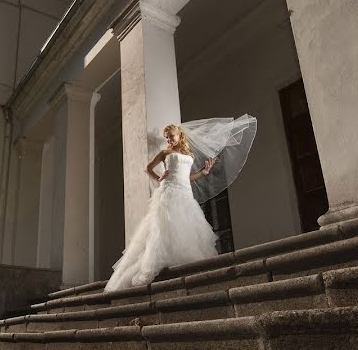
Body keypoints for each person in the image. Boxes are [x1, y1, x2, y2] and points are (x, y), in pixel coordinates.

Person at [104, 115, 256, 293]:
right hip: (169, 191)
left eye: (171, 136)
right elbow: (148, 168)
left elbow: (187, 177)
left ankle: (184, 265)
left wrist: (204, 172)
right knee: (165, 226)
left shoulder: (188, 154)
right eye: (167, 137)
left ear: (180, 135)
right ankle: (159, 264)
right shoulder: (165, 153)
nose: (168, 140)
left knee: (185, 227)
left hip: (185, 192)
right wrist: (159, 178)